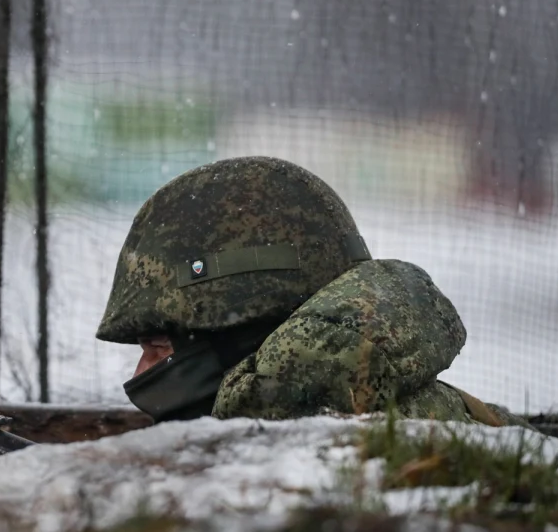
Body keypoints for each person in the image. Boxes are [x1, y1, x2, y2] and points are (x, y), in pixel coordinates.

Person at [95, 155, 527, 427]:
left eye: (157, 348)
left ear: (244, 326)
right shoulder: (375, 418)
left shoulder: (340, 449)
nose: (140, 376)